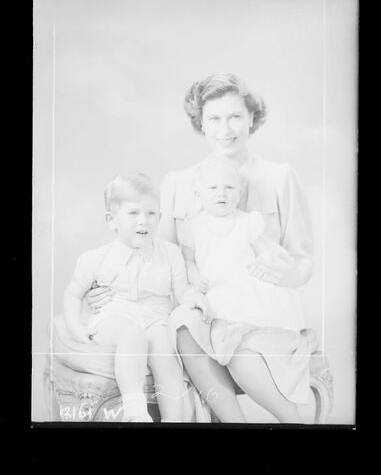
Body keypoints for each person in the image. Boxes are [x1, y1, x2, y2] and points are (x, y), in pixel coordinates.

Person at [86, 72, 318, 422]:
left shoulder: (280, 176)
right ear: (201, 124)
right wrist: (106, 289)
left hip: (263, 312)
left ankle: (295, 420)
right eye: (214, 119)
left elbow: (303, 263)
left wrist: (287, 273)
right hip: (206, 308)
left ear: (252, 118)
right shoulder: (179, 183)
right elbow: (153, 256)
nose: (226, 129)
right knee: (181, 322)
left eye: (235, 116)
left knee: (239, 347)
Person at [168, 155, 316, 423]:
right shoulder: (193, 225)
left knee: (240, 332)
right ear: (198, 193)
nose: (221, 194)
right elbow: (188, 259)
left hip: (243, 290)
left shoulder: (247, 222)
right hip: (216, 292)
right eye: (213, 188)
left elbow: (265, 251)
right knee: (200, 322)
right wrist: (194, 275)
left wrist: (266, 261)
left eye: (229, 188)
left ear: (239, 193)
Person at [63, 173, 211, 422]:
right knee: (132, 334)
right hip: (114, 316)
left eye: (151, 213)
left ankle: (174, 419)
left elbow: (182, 290)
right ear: (112, 220)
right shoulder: (95, 258)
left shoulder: (170, 254)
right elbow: (73, 294)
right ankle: (135, 410)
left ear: (160, 217)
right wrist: (76, 327)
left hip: (156, 317)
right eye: (134, 213)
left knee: (165, 352)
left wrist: (193, 297)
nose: (144, 221)